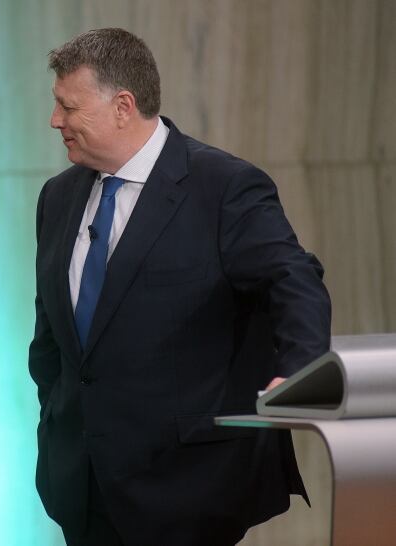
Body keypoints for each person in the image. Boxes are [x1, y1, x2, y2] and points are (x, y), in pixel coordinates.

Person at [29, 29, 331, 545]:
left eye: (67, 106)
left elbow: (293, 279)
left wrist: (302, 374)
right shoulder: (57, 197)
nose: (55, 120)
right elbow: (52, 339)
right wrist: (55, 411)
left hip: (189, 489)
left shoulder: (223, 186)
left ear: (123, 106)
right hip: (82, 486)